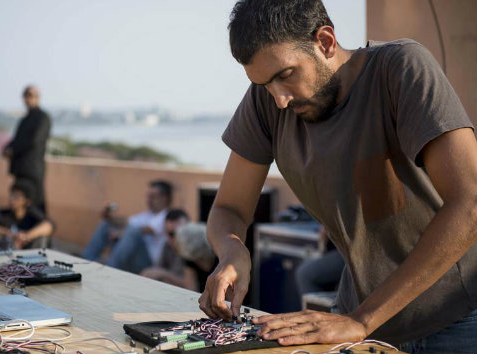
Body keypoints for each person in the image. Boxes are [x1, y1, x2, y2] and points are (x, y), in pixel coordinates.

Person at [199, 0, 477, 352]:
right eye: (264, 84)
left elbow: (470, 203)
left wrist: (362, 321)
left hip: (459, 317)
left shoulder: (401, 67)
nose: (279, 99)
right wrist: (232, 252)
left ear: (326, 41)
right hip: (360, 320)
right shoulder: (267, 101)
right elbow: (229, 209)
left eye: (286, 75)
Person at [82, 180, 173, 274]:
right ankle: (86, 261)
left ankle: (109, 270)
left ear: (164, 198)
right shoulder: (147, 215)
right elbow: (125, 222)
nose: (149, 200)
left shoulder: (167, 216)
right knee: (106, 225)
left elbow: (146, 230)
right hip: (131, 257)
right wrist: (109, 218)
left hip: (147, 264)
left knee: (133, 231)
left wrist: (121, 233)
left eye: (153, 196)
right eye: (148, 196)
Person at [3, 85, 51, 212]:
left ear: (38, 98)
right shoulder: (24, 120)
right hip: (21, 170)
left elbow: (34, 141)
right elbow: (16, 140)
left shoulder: (43, 118)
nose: (29, 99)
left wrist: (13, 150)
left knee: (36, 203)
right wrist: (7, 149)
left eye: (32, 96)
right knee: (19, 205)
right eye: (27, 96)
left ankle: (39, 231)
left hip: (33, 169)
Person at [0, 180, 54, 250]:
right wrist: (9, 234)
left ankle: (38, 263)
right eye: (11, 195)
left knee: (43, 237)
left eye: (17, 197)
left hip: (28, 255)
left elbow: (48, 226)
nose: (12, 200)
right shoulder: (3, 214)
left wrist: (25, 237)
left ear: (27, 201)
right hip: (6, 253)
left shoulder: (32, 215)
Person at [143, 221, 216, 293]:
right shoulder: (190, 260)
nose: (169, 240)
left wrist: (164, 274)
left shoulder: (219, 259)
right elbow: (191, 290)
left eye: (171, 234)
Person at [139, 209, 189, 287]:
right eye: (169, 234)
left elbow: (192, 286)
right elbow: (157, 270)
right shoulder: (168, 245)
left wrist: (164, 274)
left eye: (180, 232)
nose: (173, 238)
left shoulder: (194, 250)